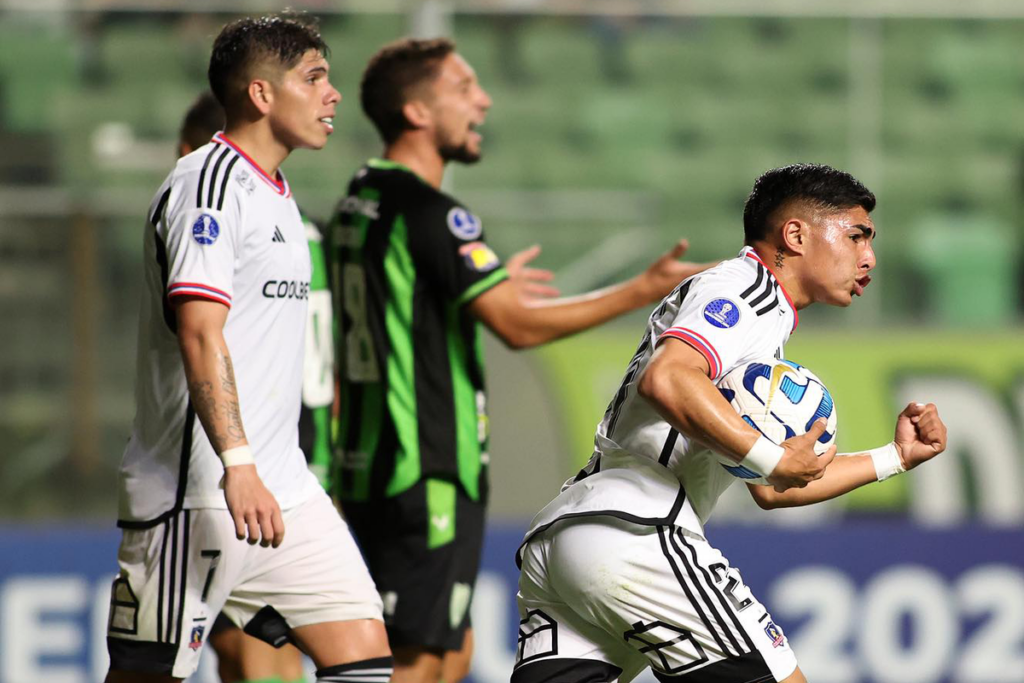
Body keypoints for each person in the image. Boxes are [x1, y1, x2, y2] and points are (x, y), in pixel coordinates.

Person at [326, 37, 715, 683]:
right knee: (419, 658)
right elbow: (518, 324)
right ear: (418, 112)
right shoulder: (432, 213)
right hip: (426, 465)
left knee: (452, 650)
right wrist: (644, 290)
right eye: (463, 87)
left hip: (371, 462)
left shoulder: (358, 201)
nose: (483, 100)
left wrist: (471, 285)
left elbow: (396, 305)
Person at [512, 163, 949, 683]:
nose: (869, 257)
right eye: (856, 236)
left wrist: (894, 458)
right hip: (638, 527)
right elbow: (668, 378)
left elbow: (772, 488)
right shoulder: (746, 290)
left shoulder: (762, 322)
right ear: (794, 235)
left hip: (570, 535)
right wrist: (772, 456)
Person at [105, 14, 392, 683]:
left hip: (284, 491)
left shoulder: (281, 198)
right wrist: (238, 463)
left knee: (367, 662)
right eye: (314, 77)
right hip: (197, 493)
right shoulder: (206, 187)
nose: (334, 94)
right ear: (262, 94)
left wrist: (261, 468)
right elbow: (201, 332)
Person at [177, 90, 327, 683]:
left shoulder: (214, 223)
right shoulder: (300, 225)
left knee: (248, 651)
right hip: (305, 454)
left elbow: (208, 339)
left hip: (243, 465)